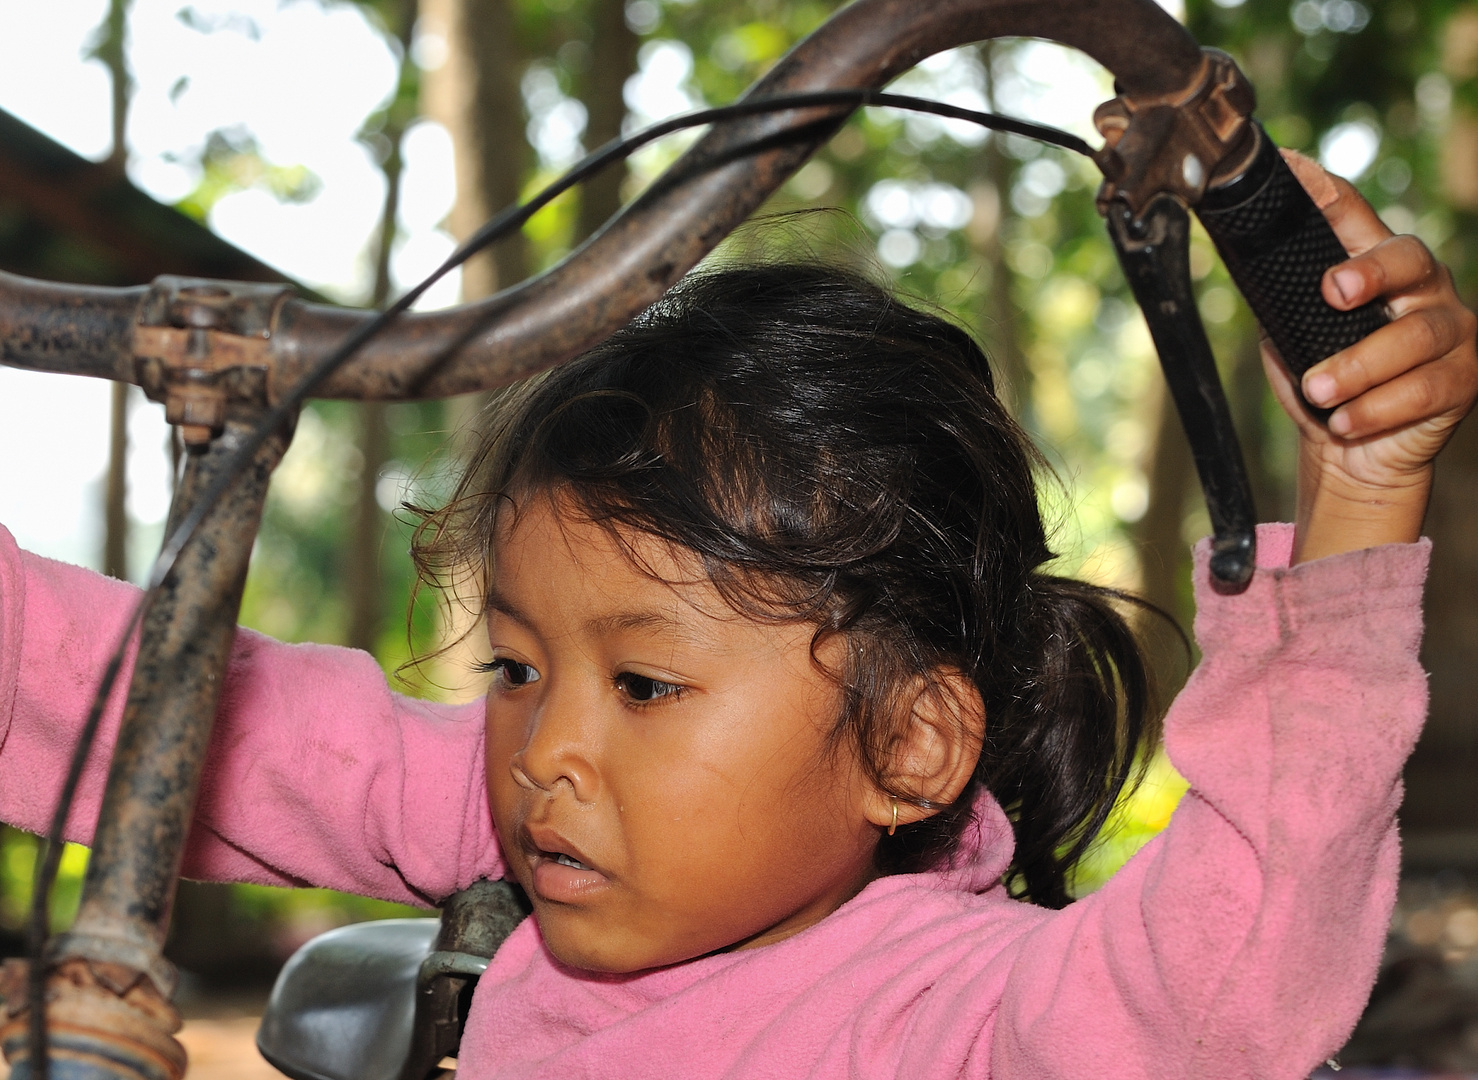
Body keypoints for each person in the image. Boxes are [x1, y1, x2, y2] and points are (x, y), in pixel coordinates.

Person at [0, 153, 1473, 1079]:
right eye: (516, 663)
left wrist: (1350, 504)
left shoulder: (952, 1017)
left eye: (645, 684)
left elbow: (1221, 998)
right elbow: (156, 705)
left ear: (906, 745)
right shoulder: (544, 809)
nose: (543, 748)